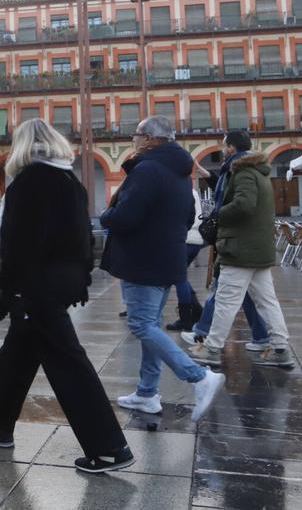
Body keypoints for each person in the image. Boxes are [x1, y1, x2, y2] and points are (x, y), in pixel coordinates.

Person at [0, 119, 133, 473]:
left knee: (68, 363)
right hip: (61, 281)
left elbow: (17, 246)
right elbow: (82, 236)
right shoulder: (69, 180)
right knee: (15, 356)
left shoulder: (28, 183)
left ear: (21, 147)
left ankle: (109, 449)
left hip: (36, 287)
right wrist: (81, 278)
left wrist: (4, 293)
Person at [99, 116, 225, 421]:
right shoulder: (179, 172)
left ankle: (199, 377)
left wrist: (106, 216)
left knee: (142, 325)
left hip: (143, 258)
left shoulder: (149, 169)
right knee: (151, 324)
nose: (135, 141)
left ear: (152, 140)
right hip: (166, 255)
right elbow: (185, 217)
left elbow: (125, 216)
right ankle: (147, 393)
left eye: (138, 135)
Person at [189, 131, 293, 369]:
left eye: (225, 146)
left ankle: (213, 349)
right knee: (268, 301)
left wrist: (217, 214)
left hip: (240, 248)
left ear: (232, 148)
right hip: (257, 248)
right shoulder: (258, 172)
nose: (223, 150)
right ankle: (281, 349)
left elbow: (244, 205)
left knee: (226, 300)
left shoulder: (243, 172)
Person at [166, 164, 210, 331]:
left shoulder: (181, 192)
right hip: (193, 240)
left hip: (186, 239)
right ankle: (195, 311)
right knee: (179, 277)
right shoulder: (190, 191)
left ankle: (188, 317)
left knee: (179, 278)